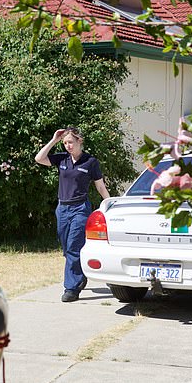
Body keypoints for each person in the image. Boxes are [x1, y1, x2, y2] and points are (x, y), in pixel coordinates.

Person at [35, 127, 110, 302]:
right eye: (65, 143)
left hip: (80, 209)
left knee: (74, 247)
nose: (68, 146)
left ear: (79, 142)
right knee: (66, 248)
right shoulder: (62, 159)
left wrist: (109, 204)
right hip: (62, 208)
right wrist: (54, 140)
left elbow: (100, 186)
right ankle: (80, 275)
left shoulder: (90, 162)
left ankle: (71, 288)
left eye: (71, 142)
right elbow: (39, 158)